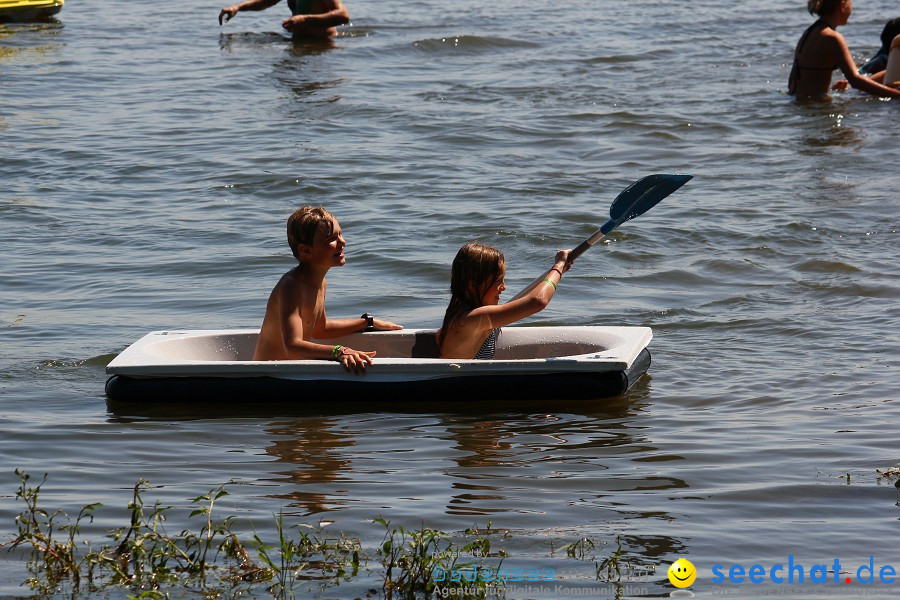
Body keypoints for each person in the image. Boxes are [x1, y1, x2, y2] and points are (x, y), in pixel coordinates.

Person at [253, 206, 402, 370]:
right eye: (331, 239)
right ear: (305, 250)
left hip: (290, 372)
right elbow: (292, 347)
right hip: (268, 375)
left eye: (340, 234)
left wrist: (367, 323)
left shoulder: (319, 282)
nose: (342, 242)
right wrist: (339, 351)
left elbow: (320, 330)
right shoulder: (292, 286)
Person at [437, 243, 572, 360]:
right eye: (498, 281)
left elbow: (525, 303)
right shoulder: (473, 319)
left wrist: (557, 271)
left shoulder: (462, 314)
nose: (504, 287)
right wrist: (559, 266)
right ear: (472, 284)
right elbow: (538, 301)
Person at [788, 0, 900, 99]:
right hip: (816, 105)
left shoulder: (810, 32)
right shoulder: (833, 38)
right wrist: (896, 95)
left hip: (797, 100)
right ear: (842, 6)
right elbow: (855, 81)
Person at [219, 0, 349, 39]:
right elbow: (264, 2)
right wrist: (237, 7)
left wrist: (305, 19)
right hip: (298, 43)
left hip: (323, 45)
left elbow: (343, 15)